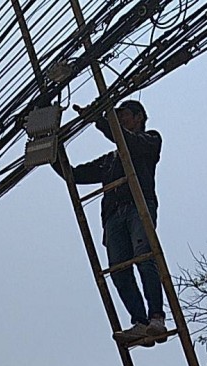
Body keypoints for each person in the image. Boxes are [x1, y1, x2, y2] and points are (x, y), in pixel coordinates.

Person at [55, 99, 166, 348]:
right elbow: (75, 175)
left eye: (123, 115)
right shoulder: (110, 160)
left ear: (139, 117)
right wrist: (53, 150)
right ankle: (139, 323)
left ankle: (156, 317)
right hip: (113, 216)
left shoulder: (150, 140)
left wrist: (99, 121)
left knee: (144, 257)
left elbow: (127, 142)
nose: (120, 120)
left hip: (139, 207)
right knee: (118, 270)